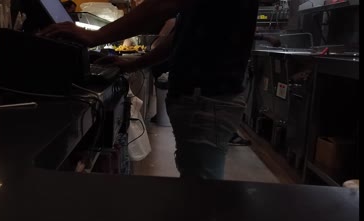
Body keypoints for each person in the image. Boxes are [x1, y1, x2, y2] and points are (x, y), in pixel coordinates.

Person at [39, 0, 259, 181]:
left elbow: (163, 5)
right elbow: (182, 33)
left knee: (202, 195)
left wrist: (95, 36)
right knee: (196, 183)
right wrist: (138, 62)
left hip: (206, 97)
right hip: (203, 97)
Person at [228, 32, 281, 146]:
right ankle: (229, 134)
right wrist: (266, 37)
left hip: (230, 64)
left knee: (232, 102)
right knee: (232, 102)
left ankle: (230, 133)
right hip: (228, 66)